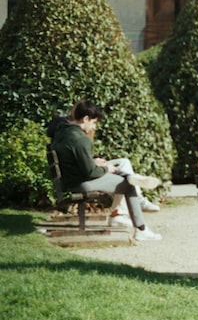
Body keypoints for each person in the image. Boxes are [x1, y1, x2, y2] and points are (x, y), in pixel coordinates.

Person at [49, 100, 162, 241]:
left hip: (71, 178)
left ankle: (130, 178)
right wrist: (105, 168)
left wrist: (95, 162)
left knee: (122, 165)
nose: (95, 127)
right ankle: (141, 229)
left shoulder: (63, 131)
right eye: (94, 123)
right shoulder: (80, 139)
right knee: (128, 185)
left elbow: (78, 160)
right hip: (80, 182)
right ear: (85, 119)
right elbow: (90, 172)